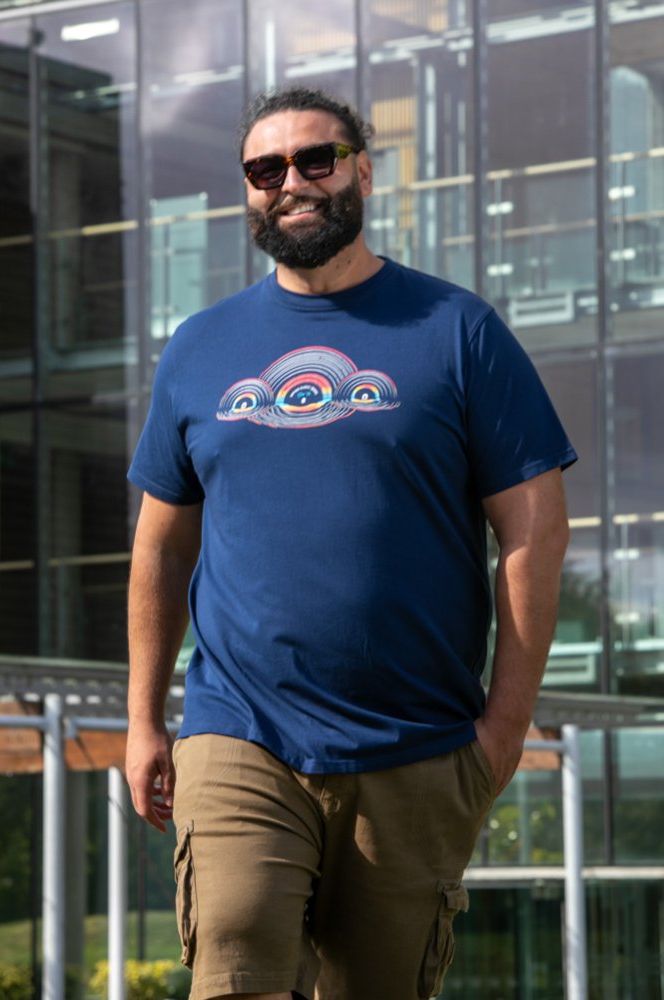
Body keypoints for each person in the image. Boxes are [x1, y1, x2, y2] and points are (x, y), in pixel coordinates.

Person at [126, 86, 577, 1000]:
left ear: (363, 172)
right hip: (239, 729)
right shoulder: (199, 348)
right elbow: (162, 551)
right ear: (248, 191)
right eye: (264, 169)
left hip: (416, 743)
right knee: (237, 960)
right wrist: (142, 721)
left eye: (315, 159)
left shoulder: (458, 331)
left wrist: (503, 729)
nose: (290, 182)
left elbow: (535, 530)